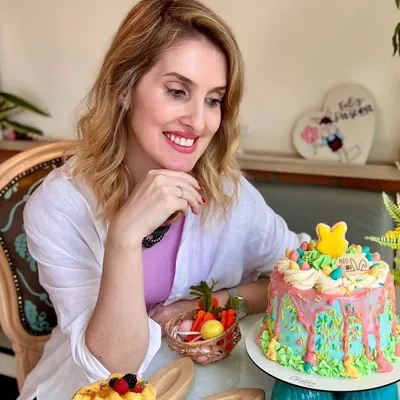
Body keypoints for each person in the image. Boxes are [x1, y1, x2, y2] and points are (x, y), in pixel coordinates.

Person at [16, 0, 334, 399]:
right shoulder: (59, 205)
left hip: (206, 384)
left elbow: (306, 273)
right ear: (124, 89)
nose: (199, 122)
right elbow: (115, 370)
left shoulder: (227, 193)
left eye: (213, 100)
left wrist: (217, 303)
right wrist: (124, 237)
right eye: (177, 91)